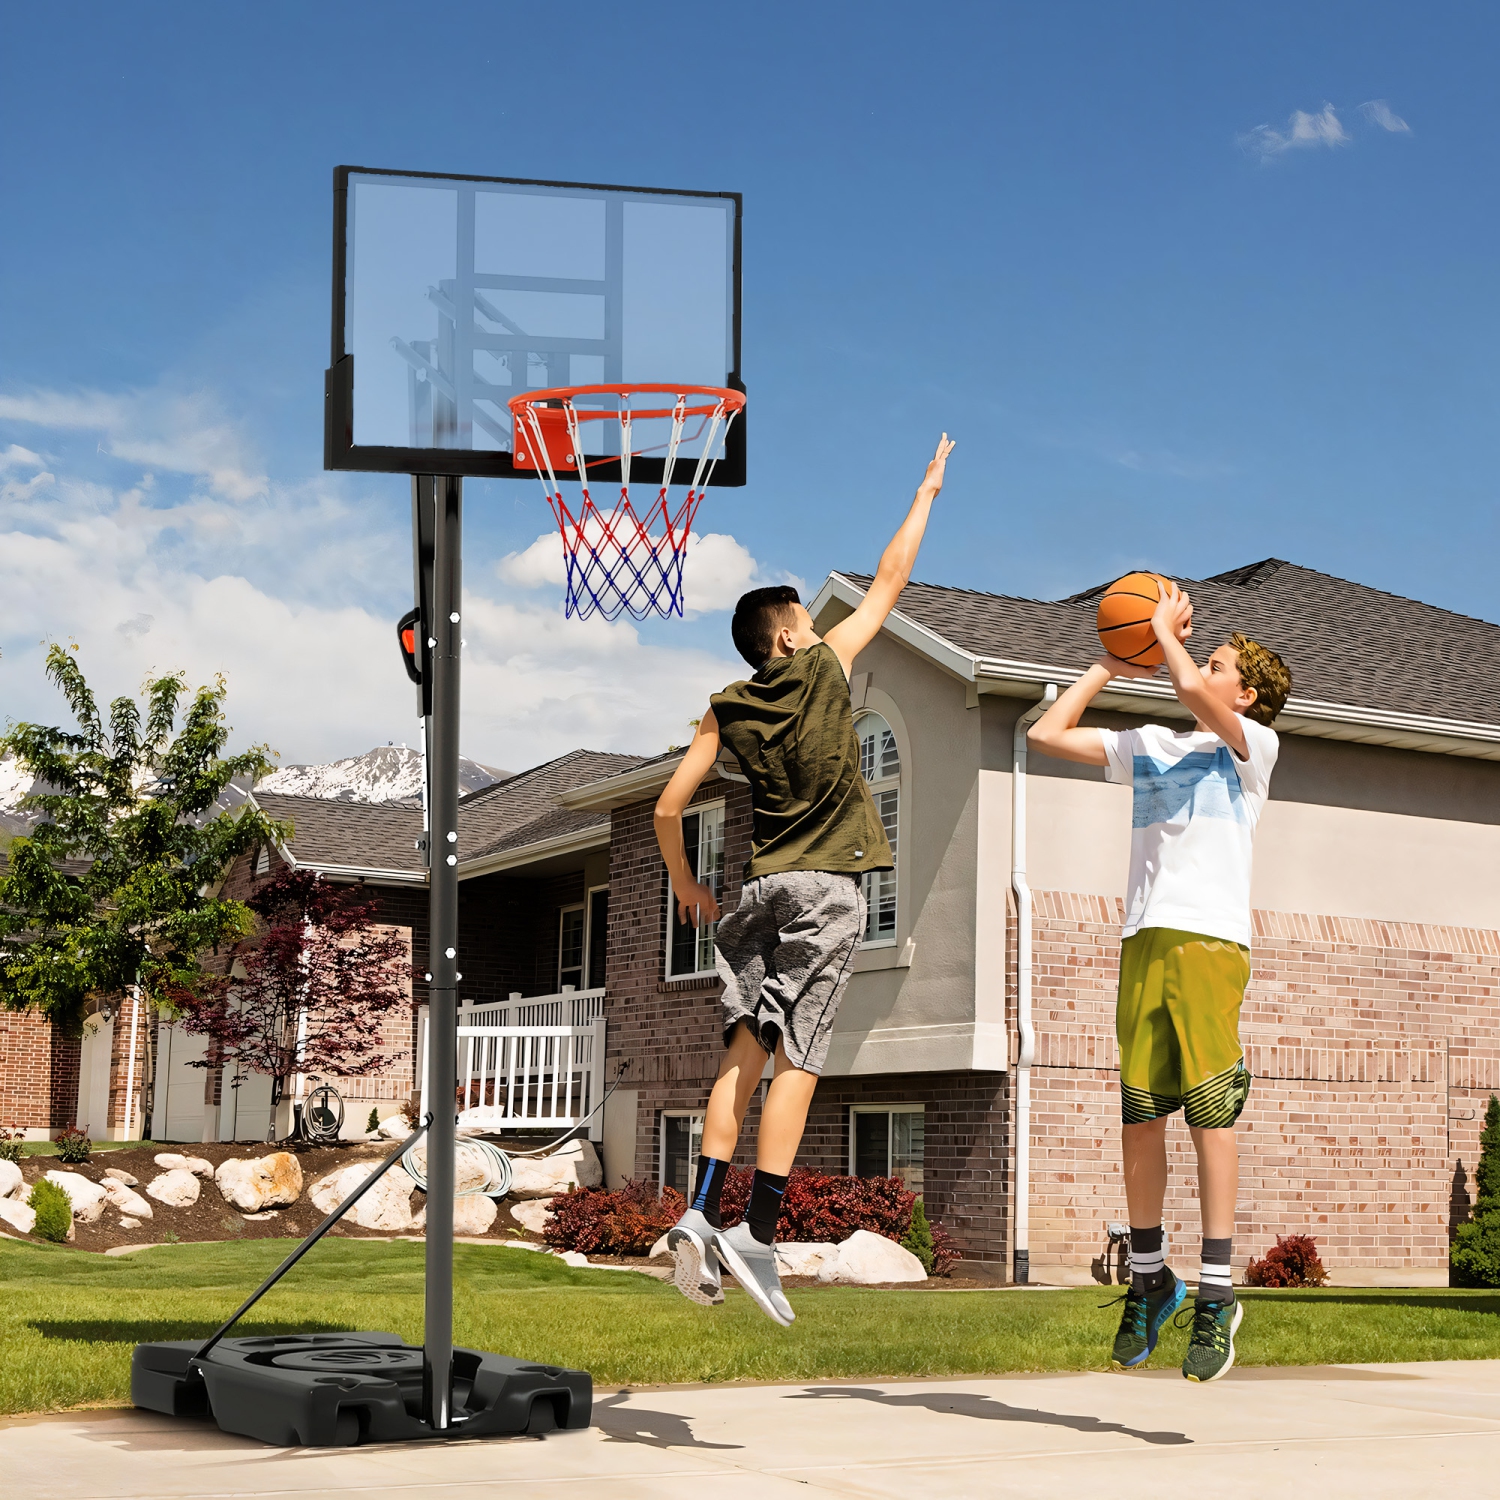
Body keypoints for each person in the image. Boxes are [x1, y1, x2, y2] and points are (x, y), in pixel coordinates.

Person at [654, 435, 955, 1325]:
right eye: (809, 624)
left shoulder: (726, 705)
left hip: (757, 896)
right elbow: (891, 582)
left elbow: (669, 808)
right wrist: (927, 488)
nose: (819, 632)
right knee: (802, 1061)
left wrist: (685, 885)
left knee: (743, 1050)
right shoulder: (825, 667)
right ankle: (757, 1228)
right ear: (790, 635)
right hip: (826, 895)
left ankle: (700, 1210)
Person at [1027, 584, 1290, 1381]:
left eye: (1216, 664)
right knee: (1140, 1116)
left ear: (1244, 695)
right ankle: (1153, 1277)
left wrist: (1165, 636)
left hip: (1210, 944)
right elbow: (1046, 732)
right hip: (1143, 939)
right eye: (1198, 657)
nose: (1197, 669)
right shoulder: (1148, 744)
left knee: (1210, 1114)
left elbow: (1185, 686)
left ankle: (1217, 1290)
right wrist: (1109, 662)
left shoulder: (1251, 749)